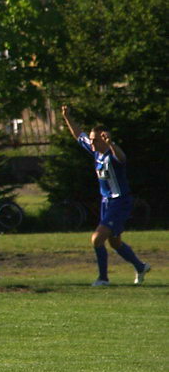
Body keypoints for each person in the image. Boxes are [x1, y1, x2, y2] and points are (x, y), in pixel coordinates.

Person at [60, 105, 150, 286]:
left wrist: (111, 144)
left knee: (97, 239)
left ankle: (103, 278)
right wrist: (67, 117)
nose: (91, 144)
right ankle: (140, 267)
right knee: (115, 243)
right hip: (106, 203)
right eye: (91, 140)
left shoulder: (111, 155)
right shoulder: (96, 152)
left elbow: (122, 158)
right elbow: (79, 135)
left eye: (95, 141)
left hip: (120, 202)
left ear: (104, 140)